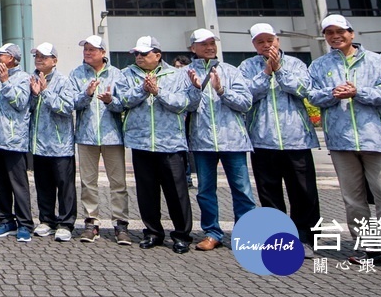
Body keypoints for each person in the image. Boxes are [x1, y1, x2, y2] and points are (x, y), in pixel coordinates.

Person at [307, 14, 381, 267]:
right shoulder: (319, 65)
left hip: (375, 139)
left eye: (340, 31)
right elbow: (311, 95)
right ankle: (368, 247)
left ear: (352, 33)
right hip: (341, 141)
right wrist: (333, 93)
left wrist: (358, 92)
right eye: (329, 32)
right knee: (353, 199)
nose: (335, 36)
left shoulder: (377, 61)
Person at [238, 23, 320, 247]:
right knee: (269, 192)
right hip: (263, 139)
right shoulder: (247, 66)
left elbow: (306, 89)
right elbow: (245, 96)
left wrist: (280, 71)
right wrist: (266, 73)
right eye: (260, 41)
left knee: (303, 191)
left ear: (277, 40)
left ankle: (306, 237)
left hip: (297, 139)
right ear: (254, 44)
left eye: (270, 40)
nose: (266, 45)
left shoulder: (295, 63)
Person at [118, 36, 196, 254]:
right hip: (141, 142)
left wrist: (158, 92)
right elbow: (122, 101)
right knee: (147, 192)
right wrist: (143, 90)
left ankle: (181, 235)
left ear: (158, 55)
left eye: (144, 54)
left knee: (176, 192)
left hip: (170, 143)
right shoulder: (127, 74)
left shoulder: (177, 75)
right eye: (137, 54)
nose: (139, 58)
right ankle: (153, 232)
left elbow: (183, 105)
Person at [183, 29, 256, 251]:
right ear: (192, 48)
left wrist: (222, 91)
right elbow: (182, 106)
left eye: (212, 43)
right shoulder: (185, 73)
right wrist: (195, 90)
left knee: (242, 189)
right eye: (203, 44)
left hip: (232, 140)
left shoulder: (230, 71)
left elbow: (245, 103)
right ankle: (212, 232)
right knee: (205, 190)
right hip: (203, 141)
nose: (209, 47)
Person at [69, 34, 130, 244]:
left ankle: (120, 224)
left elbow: (124, 104)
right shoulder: (76, 74)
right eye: (85, 49)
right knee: (88, 182)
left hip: (112, 135)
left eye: (92, 50)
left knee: (118, 182)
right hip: (86, 135)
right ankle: (91, 222)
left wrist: (110, 101)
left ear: (103, 53)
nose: (87, 53)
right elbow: (72, 103)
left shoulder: (117, 74)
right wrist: (86, 94)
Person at [29, 43, 77, 242]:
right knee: (43, 185)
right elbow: (28, 108)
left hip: (60, 145)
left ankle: (66, 223)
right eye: (37, 56)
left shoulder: (64, 81)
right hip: (39, 143)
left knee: (64, 185)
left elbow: (66, 107)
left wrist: (45, 92)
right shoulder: (31, 78)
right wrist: (33, 94)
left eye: (44, 56)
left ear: (54, 61)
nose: (39, 59)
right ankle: (47, 220)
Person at [0, 43, 34, 242]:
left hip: (14, 140)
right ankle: (6, 220)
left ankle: (25, 223)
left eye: (2, 54)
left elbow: (20, 103)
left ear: (13, 58)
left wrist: (5, 81)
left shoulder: (23, 78)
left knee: (18, 184)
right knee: (0, 183)